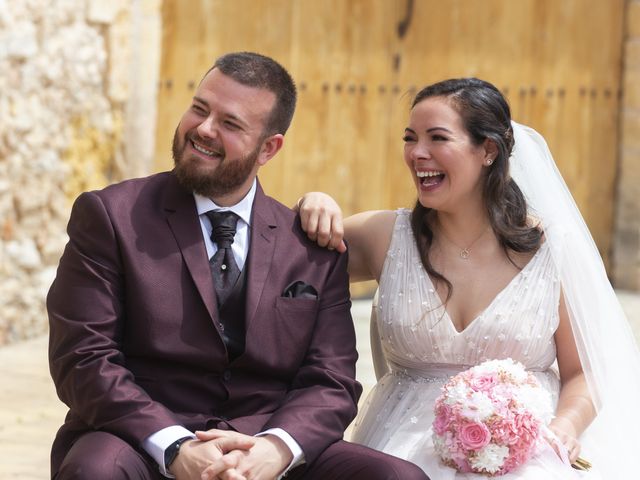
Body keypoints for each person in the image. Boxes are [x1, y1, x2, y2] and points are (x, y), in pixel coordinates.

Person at [47, 51, 430, 480]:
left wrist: (275, 449)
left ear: (269, 147)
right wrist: (174, 445)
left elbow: (331, 381)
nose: (203, 130)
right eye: (199, 109)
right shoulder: (110, 215)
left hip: (264, 442)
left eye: (229, 124)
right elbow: (83, 358)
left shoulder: (312, 245)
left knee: (397, 478)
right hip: (138, 439)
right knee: (95, 470)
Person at [298, 78, 640, 478]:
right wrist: (312, 203)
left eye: (437, 138)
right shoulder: (383, 235)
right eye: (410, 139)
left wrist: (564, 427)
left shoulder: (552, 249)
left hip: (525, 457)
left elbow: (584, 373)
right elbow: (274, 257)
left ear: (488, 150)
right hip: (400, 451)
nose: (417, 153)